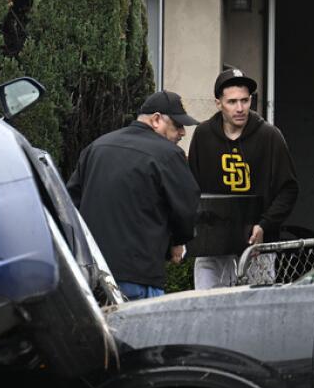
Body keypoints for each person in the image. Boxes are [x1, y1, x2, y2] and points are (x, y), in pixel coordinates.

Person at [67, 91, 201, 300]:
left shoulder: (97, 147)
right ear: (156, 119)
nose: (182, 133)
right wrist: (179, 241)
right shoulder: (168, 154)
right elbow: (186, 207)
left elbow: (69, 205)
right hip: (140, 275)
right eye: (177, 125)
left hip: (92, 275)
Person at [188, 67, 298, 288]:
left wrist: (265, 225)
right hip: (212, 247)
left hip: (257, 247)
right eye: (232, 102)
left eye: (245, 101)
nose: (240, 108)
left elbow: (288, 189)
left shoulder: (269, 136)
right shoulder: (203, 135)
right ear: (218, 103)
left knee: (255, 311)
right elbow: (191, 187)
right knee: (208, 311)